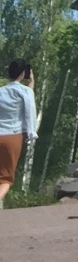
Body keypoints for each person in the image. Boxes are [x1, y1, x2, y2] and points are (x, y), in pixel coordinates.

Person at [0, 60, 38, 206]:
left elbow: (29, 93)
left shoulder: (1, 91)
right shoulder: (25, 92)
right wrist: (31, 133)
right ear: (23, 73)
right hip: (13, 136)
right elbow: (30, 112)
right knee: (6, 179)